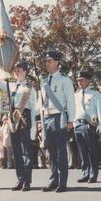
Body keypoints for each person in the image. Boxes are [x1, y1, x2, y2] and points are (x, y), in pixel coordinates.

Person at [0, 61, 37, 191]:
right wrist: (3, 75)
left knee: (26, 151)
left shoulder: (30, 88)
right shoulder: (11, 85)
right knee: (16, 151)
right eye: (15, 71)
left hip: (25, 118)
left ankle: (27, 181)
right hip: (13, 120)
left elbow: (34, 109)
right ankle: (20, 179)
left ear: (25, 71)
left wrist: (34, 127)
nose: (17, 72)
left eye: (19, 70)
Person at [38, 50, 75, 193]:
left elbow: (70, 101)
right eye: (46, 61)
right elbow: (41, 104)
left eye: (50, 61)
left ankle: (62, 182)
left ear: (57, 62)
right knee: (51, 152)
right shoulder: (43, 82)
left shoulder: (65, 80)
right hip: (47, 118)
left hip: (59, 117)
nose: (47, 63)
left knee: (60, 151)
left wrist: (71, 119)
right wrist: (41, 121)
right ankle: (54, 180)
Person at [74, 70, 101, 183]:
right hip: (78, 124)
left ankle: (93, 174)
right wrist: (73, 122)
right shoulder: (76, 94)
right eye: (78, 80)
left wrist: (100, 124)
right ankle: (85, 173)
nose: (79, 82)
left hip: (89, 125)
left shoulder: (95, 94)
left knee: (92, 150)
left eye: (81, 80)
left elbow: (99, 110)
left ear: (88, 81)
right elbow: (74, 110)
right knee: (82, 151)